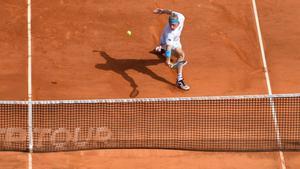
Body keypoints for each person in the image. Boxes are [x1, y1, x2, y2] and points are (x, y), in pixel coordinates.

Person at [153, 8, 190, 90]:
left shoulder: (181, 17)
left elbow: (170, 12)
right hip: (167, 43)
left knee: (179, 55)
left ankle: (160, 50)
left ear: (178, 22)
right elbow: (169, 47)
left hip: (176, 40)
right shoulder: (169, 33)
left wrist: (162, 11)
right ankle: (179, 80)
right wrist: (168, 60)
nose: (172, 26)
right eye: (170, 24)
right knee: (181, 55)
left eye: (173, 24)